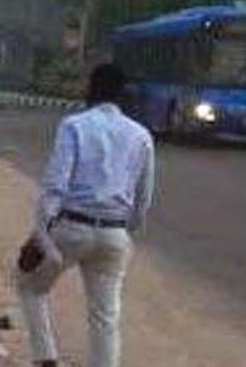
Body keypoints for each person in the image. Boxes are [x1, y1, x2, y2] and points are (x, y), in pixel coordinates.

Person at [16, 64, 155, 367]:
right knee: (105, 315)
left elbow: (55, 186)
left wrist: (40, 234)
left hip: (71, 228)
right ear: (124, 95)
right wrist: (124, 232)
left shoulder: (74, 125)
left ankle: (46, 358)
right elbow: (143, 199)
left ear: (91, 90)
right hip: (115, 234)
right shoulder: (141, 135)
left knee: (29, 286)